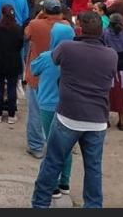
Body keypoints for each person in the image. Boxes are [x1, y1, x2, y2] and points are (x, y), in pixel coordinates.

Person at [31, 12, 117, 209]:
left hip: (68, 116)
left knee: (52, 163)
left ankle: (40, 204)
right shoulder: (110, 55)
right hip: (97, 120)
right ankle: (94, 206)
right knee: (93, 168)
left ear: (79, 27)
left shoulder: (67, 48)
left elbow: (52, 58)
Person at [30, 20, 74, 198]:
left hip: (48, 105)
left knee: (51, 144)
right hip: (68, 106)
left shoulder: (48, 56)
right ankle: (65, 182)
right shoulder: (75, 59)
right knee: (67, 146)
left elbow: (33, 70)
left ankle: (53, 185)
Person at [23, 0, 71, 159]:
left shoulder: (36, 24)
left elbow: (26, 34)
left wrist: (39, 16)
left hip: (38, 75)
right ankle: (58, 144)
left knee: (36, 112)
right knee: (58, 114)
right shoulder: (65, 26)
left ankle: (36, 146)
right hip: (59, 76)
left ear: (44, 11)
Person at [0, 5, 25, 124]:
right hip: (13, 61)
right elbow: (20, 45)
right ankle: (11, 114)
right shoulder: (18, 29)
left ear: (2, 14)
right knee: (11, 87)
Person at [104, 13, 123, 130]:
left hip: (108, 69)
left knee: (107, 94)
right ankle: (121, 121)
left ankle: (106, 119)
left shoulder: (104, 34)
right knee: (122, 96)